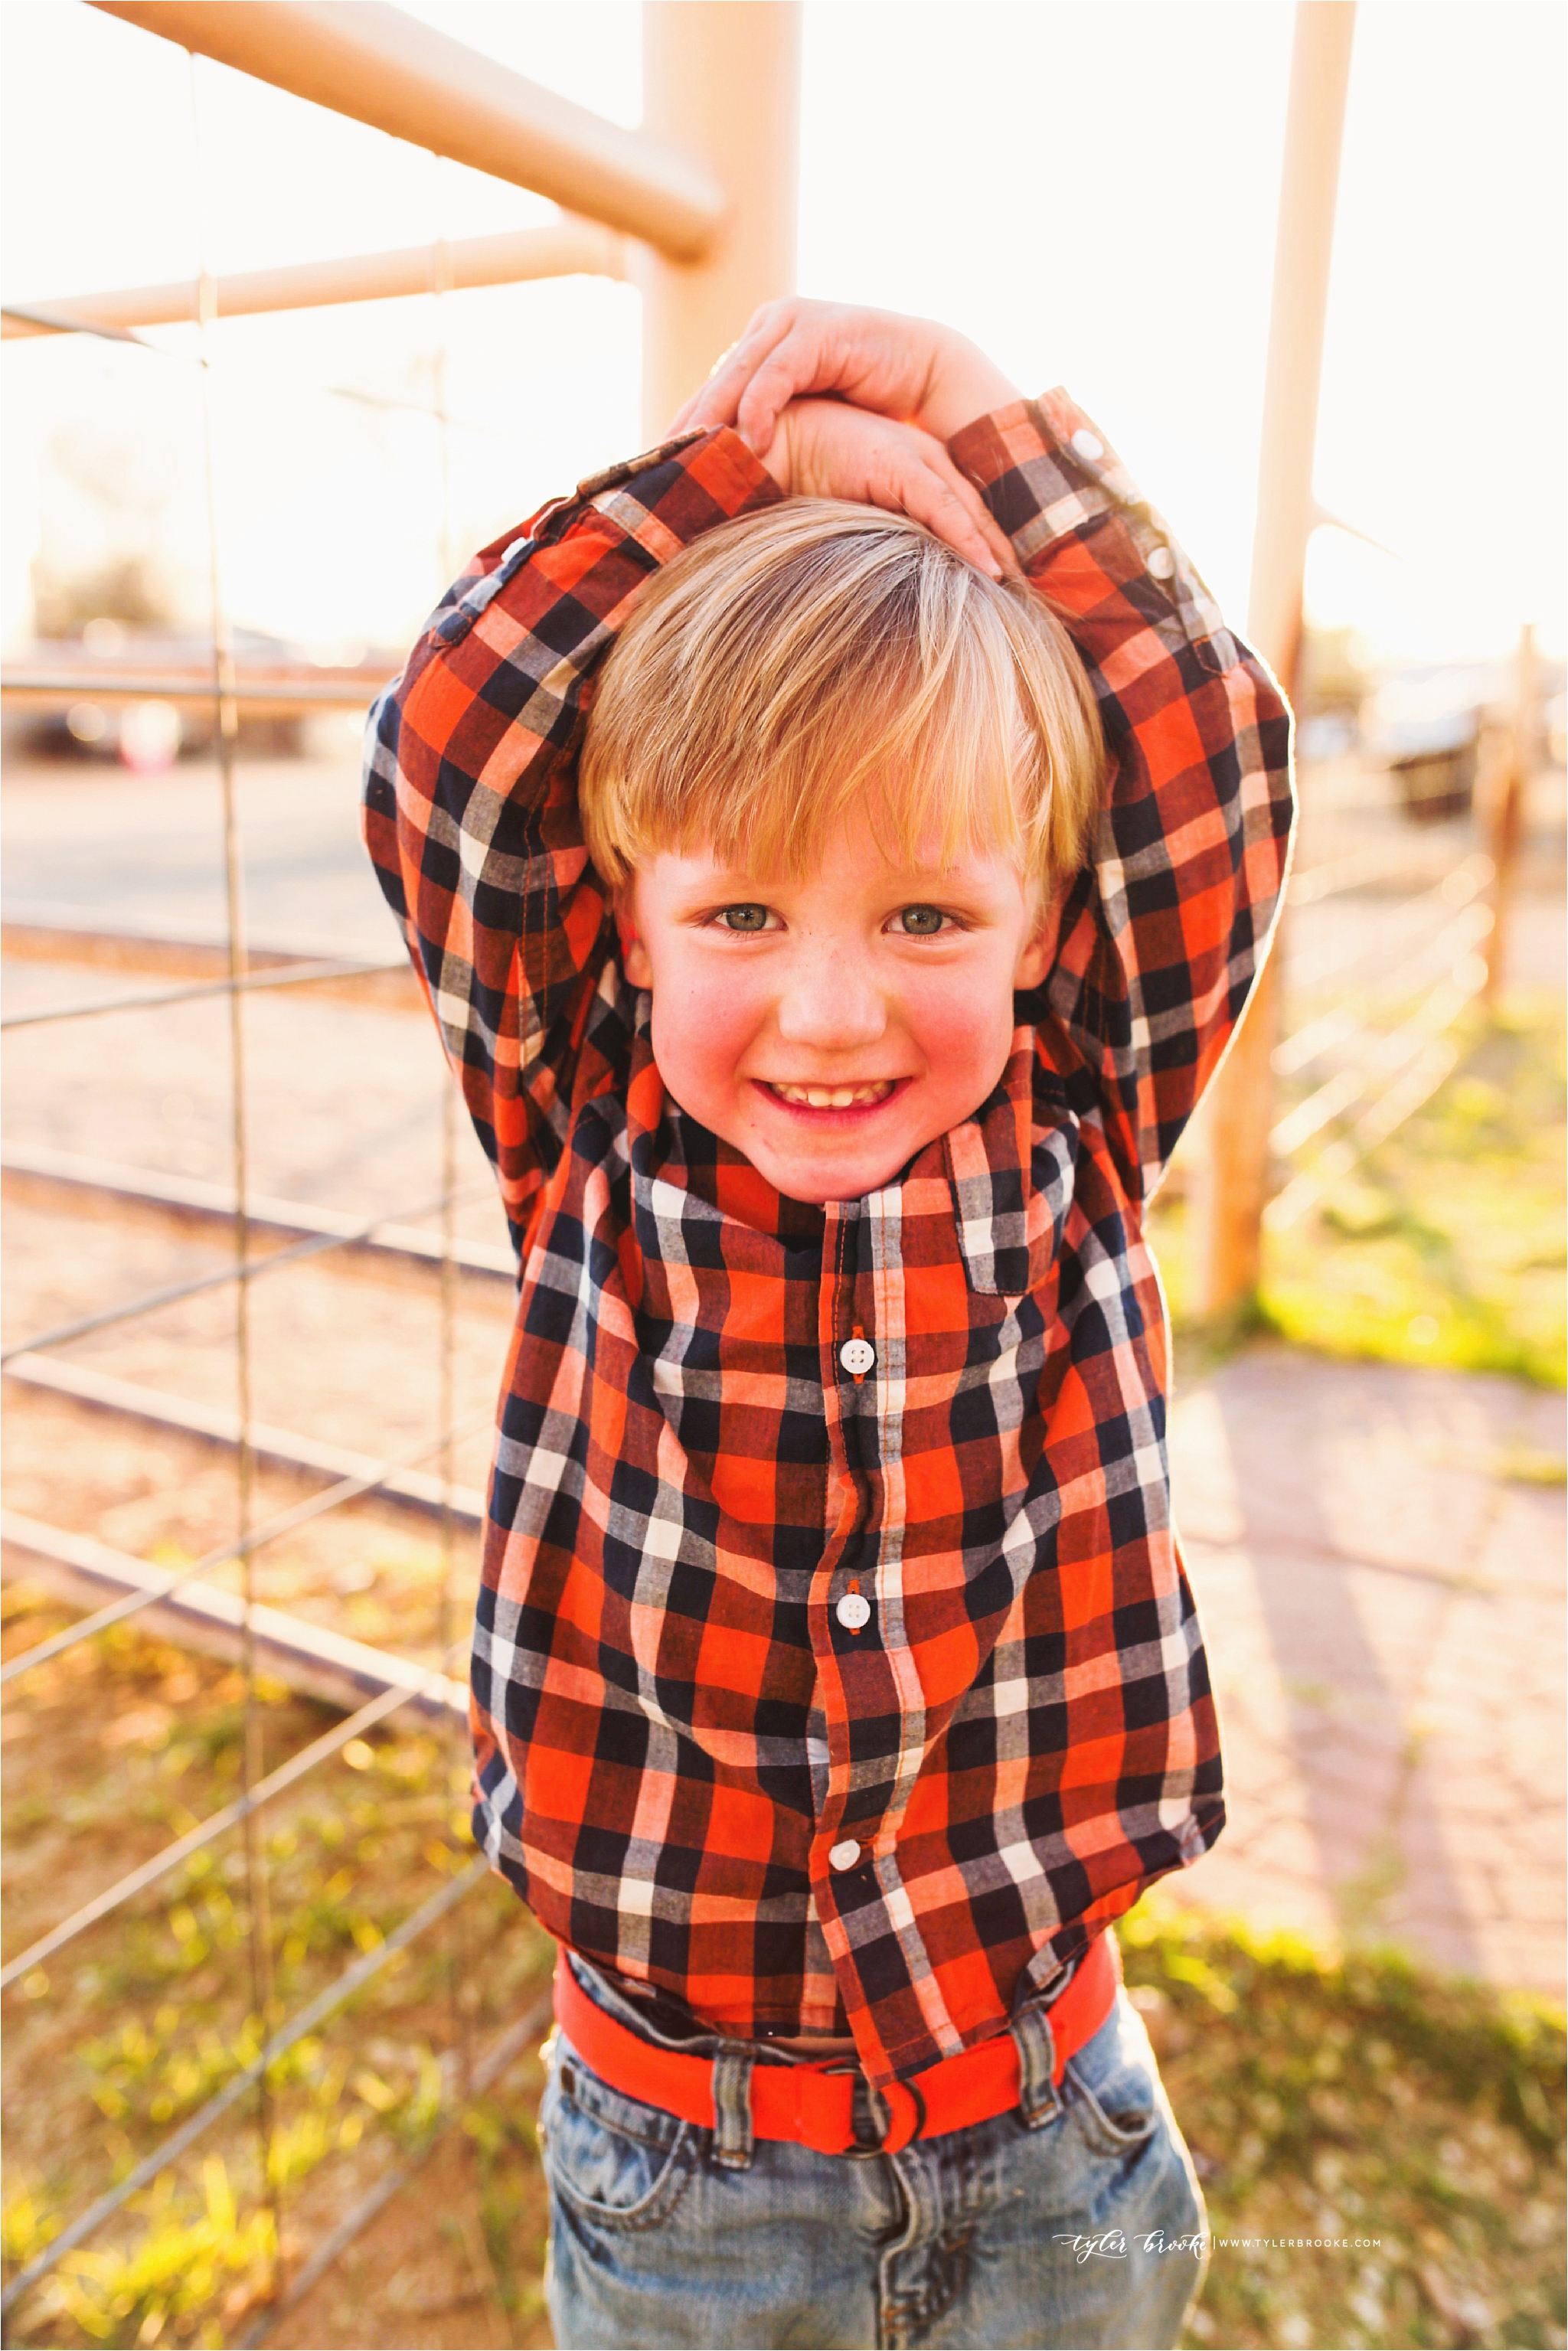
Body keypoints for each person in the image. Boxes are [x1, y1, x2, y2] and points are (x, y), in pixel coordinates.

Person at [363, 301, 1293, 2350]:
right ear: (630, 918)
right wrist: (738, 467)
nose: (835, 1010)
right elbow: (450, 740)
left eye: (931, 917)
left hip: (1053, 2136)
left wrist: (979, 419)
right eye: (747, 915)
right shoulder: (585, 1137)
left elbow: (1213, 755)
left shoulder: (1084, 1116)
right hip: (684, 2172)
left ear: (1046, 928)